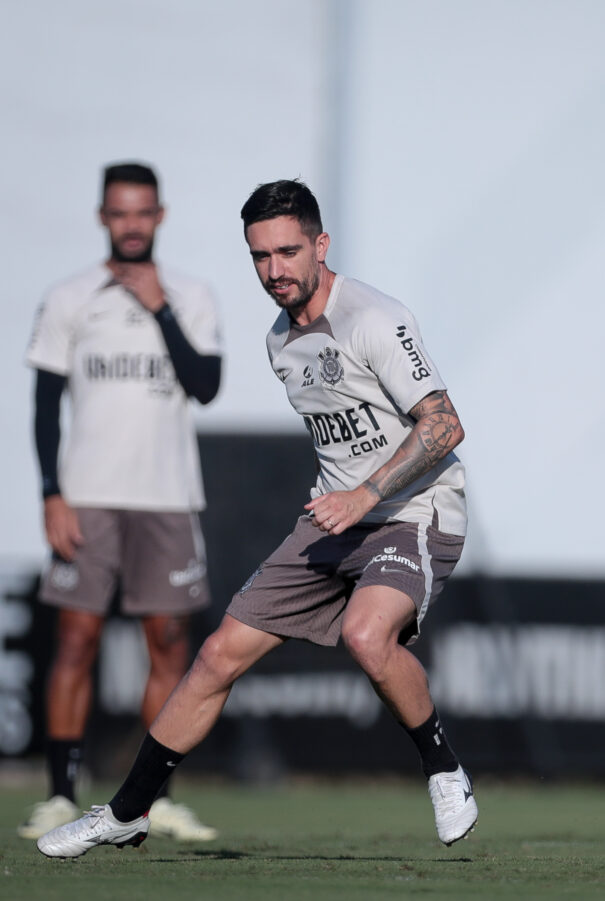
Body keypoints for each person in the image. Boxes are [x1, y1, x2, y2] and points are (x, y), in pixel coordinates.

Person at [37, 179, 477, 858]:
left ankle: (443, 767)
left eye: (289, 251)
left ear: (321, 245)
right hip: (334, 521)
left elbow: (445, 425)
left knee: (366, 634)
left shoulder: (375, 318)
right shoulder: (280, 341)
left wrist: (363, 496)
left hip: (413, 511)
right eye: (260, 256)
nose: (275, 270)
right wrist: (345, 501)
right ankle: (126, 811)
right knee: (215, 654)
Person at [21, 162, 223, 842]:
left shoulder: (191, 295)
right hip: (89, 496)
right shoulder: (70, 297)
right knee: (75, 640)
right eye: (120, 213)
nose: (132, 224)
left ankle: (151, 797)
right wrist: (52, 494)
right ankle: (58, 793)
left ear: (159, 216)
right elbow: (45, 407)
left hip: (166, 498)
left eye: (143, 213)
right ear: (103, 217)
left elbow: (205, 384)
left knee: (168, 644)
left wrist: (158, 304)